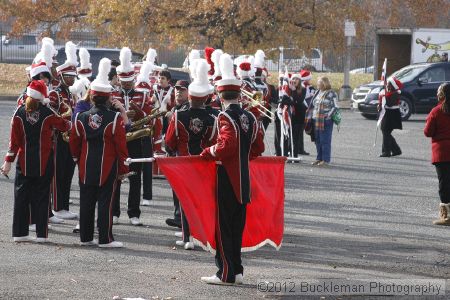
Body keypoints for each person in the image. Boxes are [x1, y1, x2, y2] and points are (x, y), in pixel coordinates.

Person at [200, 53, 264, 285]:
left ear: (220, 94)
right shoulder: (250, 116)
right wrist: (244, 157)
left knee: (224, 227)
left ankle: (225, 273)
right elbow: (258, 146)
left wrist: (208, 153)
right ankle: (236, 270)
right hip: (244, 178)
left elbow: (226, 145)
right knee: (236, 227)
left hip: (227, 176)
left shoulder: (225, 116)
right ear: (238, 93)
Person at [1, 80, 71, 243]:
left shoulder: (18, 112)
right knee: (42, 197)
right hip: (44, 161)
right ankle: (41, 235)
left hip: (23, 161)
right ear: (42, 97)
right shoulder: (48, 112)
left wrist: (8, 161)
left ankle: (19, 233)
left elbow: (14, 141)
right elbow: (65, 126)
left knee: (21, 197)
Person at [70, 58, 129, 248]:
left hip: (85, 164)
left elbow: (74, 141)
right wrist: (123, 167)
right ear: (108, 97)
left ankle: (86, 238)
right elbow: (121, 147)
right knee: (106, 202)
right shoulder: (115, 118)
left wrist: (78, 159)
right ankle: (105, 238)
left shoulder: (81, 116)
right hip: (108, 165)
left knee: (86, 201)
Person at [165, 63, 217, 250]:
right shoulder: (213, 119)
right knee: (202, 200)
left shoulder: (179, 115)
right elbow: (213, 142)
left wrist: (172, 152)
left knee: (186, 200)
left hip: (184, 162)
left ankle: (188, 238)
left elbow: (169, 141)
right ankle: (202, 236)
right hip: (203, 162)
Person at [111, 47, 151, 226]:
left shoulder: (143, 95)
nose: (127, 85)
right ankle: (114, 212)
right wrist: (120, 113)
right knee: (116, 176)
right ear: (119, 79)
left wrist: (137, 110)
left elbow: (148, 115)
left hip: (136, 139)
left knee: (135, 177)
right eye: (124, 82)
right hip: (117, 139)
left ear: (134, 79)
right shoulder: (111, 95)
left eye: (129, 81)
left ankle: (134, 213)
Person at [49, 41, 78, 220]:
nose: (72, 79)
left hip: (71, 138)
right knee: (59, 174)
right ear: (60, 76)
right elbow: (52, 116)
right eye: (68, 76)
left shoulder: (70, 93)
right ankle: (57, 207)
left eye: (73, 76)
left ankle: (64, 206)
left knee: (68, 173)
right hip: (59, 138)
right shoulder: (56, 94)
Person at [164, 80, 191, 230]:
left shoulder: (185, 109)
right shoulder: (177, 107)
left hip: (181, 154)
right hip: (176, 153)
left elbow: (172, 138)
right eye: (177, 90)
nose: (178, 92)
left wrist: (169, 147)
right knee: (177, 188)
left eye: (182, 90)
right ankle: (179, 217)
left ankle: (182, 219)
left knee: (183, 189)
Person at [424, 83, 450, 225]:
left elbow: (428, 132)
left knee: (444, 184)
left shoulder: (436, 111)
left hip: (442, 152)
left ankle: (446, 216)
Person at [311, 76, 338, 166]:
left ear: (324, 83)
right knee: (317, 140)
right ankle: (319, 158)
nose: (317, 84)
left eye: (319, 82)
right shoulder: (317, 92)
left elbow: (335, 107)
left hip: (326, 120)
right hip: (316, 119)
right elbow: (313, 104)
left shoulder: (332, 93)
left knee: (325, 140)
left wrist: (328, 116)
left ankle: (326, 160)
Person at [377, 77, 403, 157]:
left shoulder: (396, 93)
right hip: (387, 113)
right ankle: (396, 150)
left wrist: (384, 97)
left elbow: (390, 103)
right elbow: (384, 104)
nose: (387, 86)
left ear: (393, 86)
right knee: (386, 131)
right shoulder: (388, 93)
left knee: (385, 131)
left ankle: (386, 151)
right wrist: (379, 106)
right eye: (387, 84)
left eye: (388, 85)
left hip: (392, 114)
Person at [290, 73, 309, 156]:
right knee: (291, 134)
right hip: (291, 114)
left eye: (296, 79)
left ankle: (296, 152)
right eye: (293, 79)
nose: (295, 81)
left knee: (297, 134)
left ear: (299, 80)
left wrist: (294, 90)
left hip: (300, 115)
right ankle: (290, 151)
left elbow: (299, 101)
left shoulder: (303, 89)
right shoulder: (289, 88)